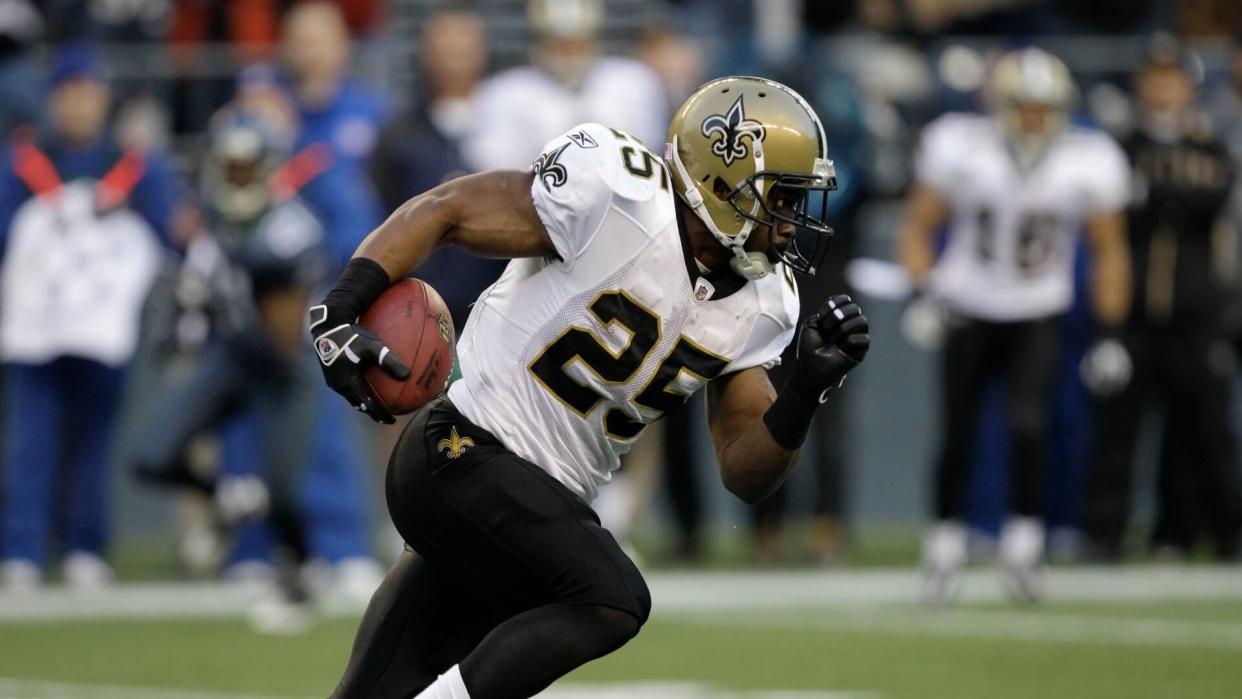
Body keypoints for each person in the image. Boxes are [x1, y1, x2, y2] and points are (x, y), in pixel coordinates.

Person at [310, 76, 868, 698]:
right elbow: (448, 210)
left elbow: (745, 472)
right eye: (782, 199)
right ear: (721, 183)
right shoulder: (617, 191)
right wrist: (344, 304)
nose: (793, 223)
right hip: (462, 451)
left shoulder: (767, 303)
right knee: (613, 599)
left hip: (526, 509)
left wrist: (805, 390)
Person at [897, 48, 1131, 604]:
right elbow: (919, 224)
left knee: (1029, 427)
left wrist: (1110, 331)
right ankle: (944, 545)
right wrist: (925, 290)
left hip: (1038, 308)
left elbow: (1110, 249)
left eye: (1044, 106)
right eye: (1024, 105)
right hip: (967, 303)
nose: (1034, 116)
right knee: (958, 430)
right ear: (1001, 104)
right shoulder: (960, 145)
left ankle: (1024, 545)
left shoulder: (1087, 157)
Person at [129, 109, 329, 631]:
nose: (238, 177)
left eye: (247, 167)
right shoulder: (207, 221)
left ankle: (301, 575)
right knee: (153, 453)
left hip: (284, 364)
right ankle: (230, 497)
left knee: (284, 488)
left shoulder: (288, 224)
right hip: (237, 355)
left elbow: (283, 328)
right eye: (231, 167)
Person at [0, 44, 181, 590]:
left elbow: (171, 230)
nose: (79, 106)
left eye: (89, 94)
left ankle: (84, 545)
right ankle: (22, 548)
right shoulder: (21, 164)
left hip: (103, 331)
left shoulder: (134, 167)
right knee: (30, 441)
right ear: (53, 101)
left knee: (95, 444)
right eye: (69, 94)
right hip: (37, 328)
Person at [1083, 39, 1242, 561]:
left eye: (1172, 77)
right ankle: (1105, 534)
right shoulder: (1121, 145)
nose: (1163, 87)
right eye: (1155, 76)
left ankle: (1193, 532)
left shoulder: (1208, 146)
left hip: (1195, 311)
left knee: (1201, 430)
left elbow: (1209, 197)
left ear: (1188, 85)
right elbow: (1109, 206)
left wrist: (1154, 192)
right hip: (1132, 311)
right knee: (1119, 429)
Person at [462, 0, 669, 171]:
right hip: (533, 208)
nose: (569, 55)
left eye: (577, 43)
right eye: (559, 45)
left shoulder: (633, 81)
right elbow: (492, 166)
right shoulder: (503, 92)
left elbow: (651, 154)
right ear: (539, 44)